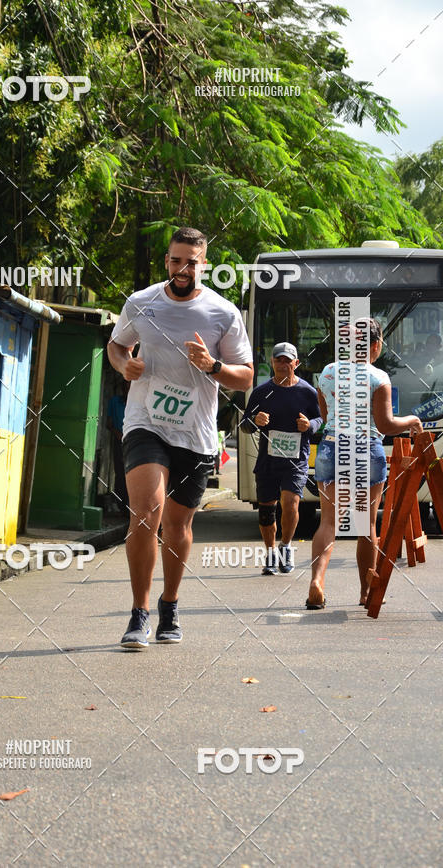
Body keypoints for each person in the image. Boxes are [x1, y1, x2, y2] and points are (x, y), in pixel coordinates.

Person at [107, 226, 253, 648]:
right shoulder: (141, 302)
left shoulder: (223, 312)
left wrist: (212, 366)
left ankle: (170, 603)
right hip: (145, 422)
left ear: (204, 264)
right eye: (175, 260)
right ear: (167, 260)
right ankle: (139, 613)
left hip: (196, 432)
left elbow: (245, 377)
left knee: (177, 525)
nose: (182, 269)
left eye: (191, 262)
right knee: (145, 513)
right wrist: (124, 365)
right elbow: (117, 346)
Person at [308, 318, 423, 609]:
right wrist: (412, 420)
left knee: (328, 522)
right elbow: (385, 425)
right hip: (365, 448)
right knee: (366, 524)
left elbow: (326, 416)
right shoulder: (378, 377)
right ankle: (365, 593)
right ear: (374, 345)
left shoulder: (328, 372)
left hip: (332, 446)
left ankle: (317, 581)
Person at [241, 343, 322, 573]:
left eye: (288, 361)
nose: (283, 364)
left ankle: (285, 546)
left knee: (290, 502)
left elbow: (321, 420)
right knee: (267, 510)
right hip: (267, 460)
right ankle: (270, 553)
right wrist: (255, 420)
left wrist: (309, 425)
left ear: (296, 363)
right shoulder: (261, 392)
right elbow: (245, 424)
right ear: (272, 362)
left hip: (296, 460)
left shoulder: (307, 392)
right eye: (279, 360)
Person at [106, 380, 129, 513]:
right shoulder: (115, 401)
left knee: (132, 473)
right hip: (119, 440)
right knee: (120, 473)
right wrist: (118, 434)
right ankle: (120, 505)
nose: (128, 390)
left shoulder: (137, 403)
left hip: (134, 441)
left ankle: (128, 506)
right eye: (126, 387)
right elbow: (108, 424)